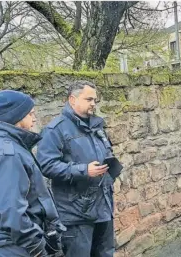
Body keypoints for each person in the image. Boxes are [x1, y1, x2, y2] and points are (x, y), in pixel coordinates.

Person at [0, 90, 65, 257]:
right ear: (16, 117)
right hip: (16, 249)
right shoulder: (7, 155)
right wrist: (37, 248)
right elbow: (12, 213)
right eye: (30, 114)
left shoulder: (6, 146)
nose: (34, 118)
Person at [36, 80, 118, 257]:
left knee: (105, 253)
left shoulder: (97, 126)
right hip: (75, 213)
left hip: (103, 206)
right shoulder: (54, 130)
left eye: (95, 100)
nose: (93, 104)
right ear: (72, 100)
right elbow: (46, 165)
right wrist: (83, 170)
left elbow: (106, 153)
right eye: (89, 99)